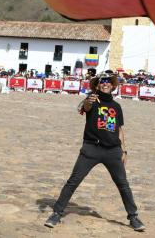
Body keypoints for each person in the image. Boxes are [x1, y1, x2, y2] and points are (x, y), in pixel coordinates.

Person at [45, 72, 145, 231]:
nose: (105, 83)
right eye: (102, 81)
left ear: (112, 85)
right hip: (91, 148)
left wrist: (124, 150)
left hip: (112, 151)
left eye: (108, 81)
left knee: (123, 184)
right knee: (73, 181)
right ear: (97, 85)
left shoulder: (116, 106)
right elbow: (85, 107)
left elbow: (119, 129)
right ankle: (57, 213)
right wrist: (88, 101)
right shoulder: (92, 100)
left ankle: (133, 217)